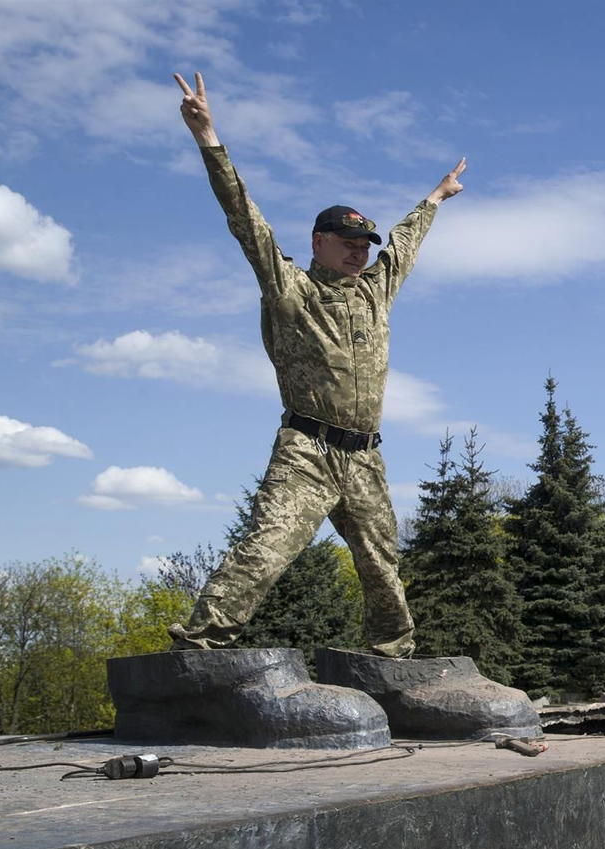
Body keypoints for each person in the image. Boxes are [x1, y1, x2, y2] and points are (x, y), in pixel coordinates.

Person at [165, 71, 468, 658]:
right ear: (318, 241)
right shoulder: (291, 289)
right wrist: (208, 137)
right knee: (267, 547)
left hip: (364, 455)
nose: (360, 253)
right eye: (349, 243)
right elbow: (245, 221)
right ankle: (201, 645)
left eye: (364, 246)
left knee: (382, 560)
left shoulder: (375, 289)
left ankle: (392, 655)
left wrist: (435, 197)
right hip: (308, 449)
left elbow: (404, 241)